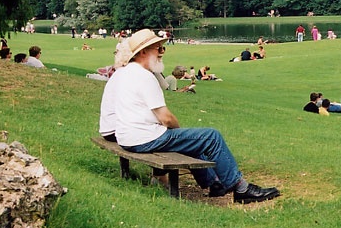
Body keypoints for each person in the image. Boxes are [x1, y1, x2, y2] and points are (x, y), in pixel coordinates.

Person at [100, 28, 279, 204]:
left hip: (128, 138)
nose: (161, 53)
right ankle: (241, 188)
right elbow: (165, 118)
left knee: (190, 139)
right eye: (158, 49)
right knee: (211, 137)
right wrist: (177, 130)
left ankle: (214, 184)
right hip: (143, 138)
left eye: (163, 48)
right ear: (143, 52)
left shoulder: (126, 73)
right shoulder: (144, 77)